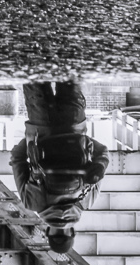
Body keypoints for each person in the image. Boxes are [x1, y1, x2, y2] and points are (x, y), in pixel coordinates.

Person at [12, 79, 111, 253]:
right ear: (48, 231)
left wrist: (86, 144)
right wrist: (32, 140)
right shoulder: (32, 203)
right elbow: (17, 159)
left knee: (70, 69)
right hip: (40, 123)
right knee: (33, 71)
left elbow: (103, 152)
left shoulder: (87, 201)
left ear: (72, 232)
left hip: (74, 123)